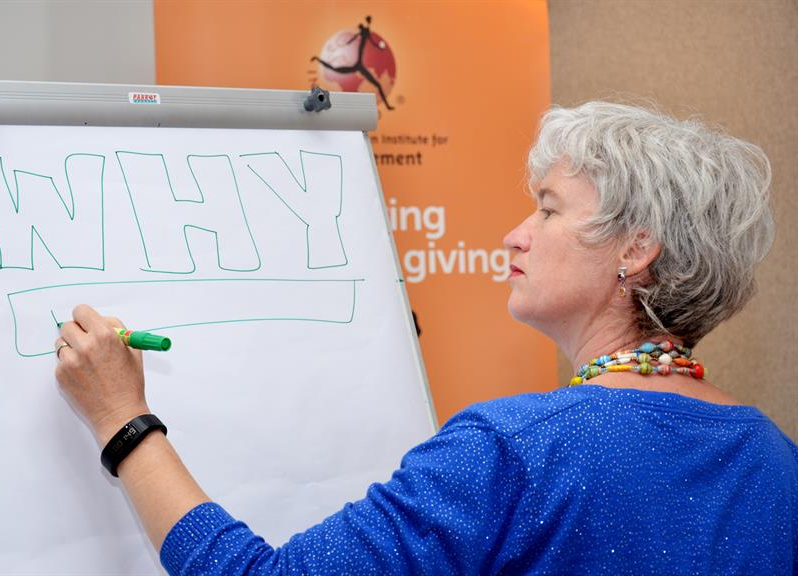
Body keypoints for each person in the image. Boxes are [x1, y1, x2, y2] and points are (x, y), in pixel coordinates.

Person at [55, 102, 797, 575]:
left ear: (634, 249)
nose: (515, 235)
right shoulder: (773, 458)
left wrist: (123, 419)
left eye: (547, 210)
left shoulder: (514, 449)